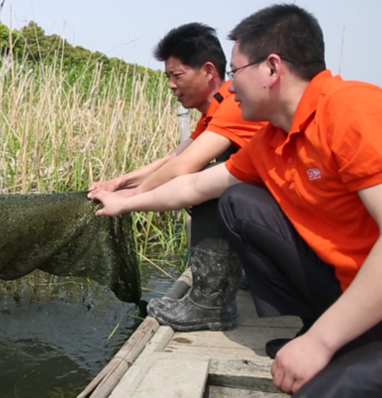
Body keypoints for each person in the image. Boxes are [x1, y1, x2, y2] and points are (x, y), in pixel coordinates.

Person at [92, 4, 382, 396]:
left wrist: (321, 343)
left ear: (272, 68)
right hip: (350, 288)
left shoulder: (356, 112)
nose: (230, 86)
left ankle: (333, 338)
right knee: (238, 201)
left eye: (235, 73)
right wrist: (123, 201)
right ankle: (326, 327)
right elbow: (193, 187)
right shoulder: (270, 140)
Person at [88, 23, 266, 331]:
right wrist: (120, 183)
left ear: (208, 71)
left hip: (285, 214)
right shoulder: (219, 107)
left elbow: (186, 167)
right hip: (270, 208)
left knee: (216, 189)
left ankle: (210, 305)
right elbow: (174, 157)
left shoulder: (233, 106)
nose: (171, 85)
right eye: (168, 77)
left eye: (177, 75)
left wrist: (128, 198)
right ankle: (251, 275)